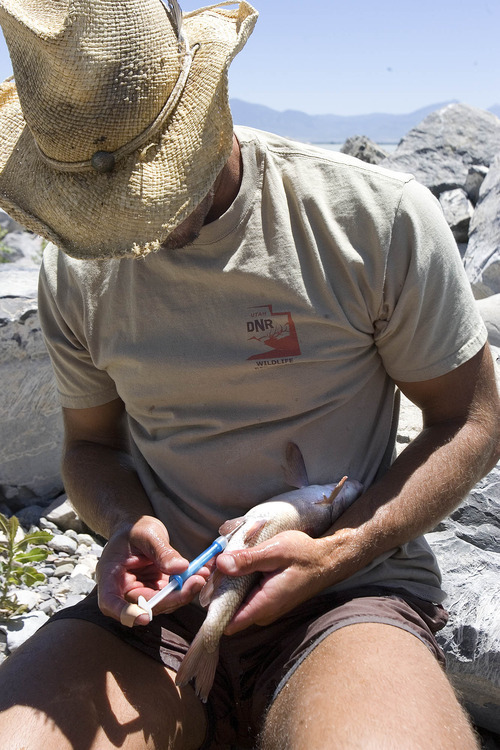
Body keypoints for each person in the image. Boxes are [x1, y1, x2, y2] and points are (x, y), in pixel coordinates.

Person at [0, 0, 498, 748]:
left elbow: (471, 420)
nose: (142, 227)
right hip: (163, 616)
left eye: (157, 183)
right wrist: (123, 529)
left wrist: (340, 551)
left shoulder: (374, 217)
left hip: (342, 599)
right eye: (108, 207)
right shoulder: (75, 268)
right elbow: (92, 449)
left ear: (210, 95)